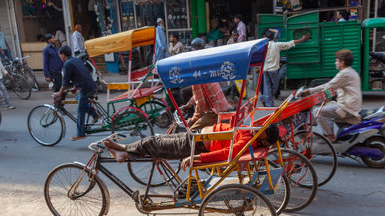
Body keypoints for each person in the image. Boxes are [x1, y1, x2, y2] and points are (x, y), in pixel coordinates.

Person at [103, 123, 280, 171]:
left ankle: (123, 149)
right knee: (159, 141)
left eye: (262, 131)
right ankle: (125, 155)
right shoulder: (250, 134)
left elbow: (225, 153)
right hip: (195, 136)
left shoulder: (247, 141)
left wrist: (195, 158)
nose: (259, 129)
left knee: (152, 142)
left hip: (197, 145)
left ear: (264, 139)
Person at [298, 49, 362, 143]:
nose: (335, 63)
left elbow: (328, 86)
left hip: (347, 108)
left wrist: (309, 90)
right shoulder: (351, 72)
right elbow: (335, 89)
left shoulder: (345, 74)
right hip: (350, 105)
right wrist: (325, 95)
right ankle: (328, 131)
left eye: (336, 61)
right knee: (327, 105)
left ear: (342, 62)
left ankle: (330, 136)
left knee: (317, 112)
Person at [179, 38, 233, 130]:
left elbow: (200, 103)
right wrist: (188, 105)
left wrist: (194, 119)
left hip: (215, 113)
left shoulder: (197, 75)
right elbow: (198, 96)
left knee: (191, 131)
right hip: (221, 108)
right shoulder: (206, 69)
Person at [54, 46, 99, 141]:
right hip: (91, 85)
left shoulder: (67, 64)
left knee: (80, 110)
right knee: (78, 98)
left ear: (63, 54)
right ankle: (95, 114)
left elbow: (65, 81)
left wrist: (60, 93)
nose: (60, 57)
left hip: (85, 88)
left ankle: (80, 133)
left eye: (60, 55)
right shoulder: (76, 60)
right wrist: (75, 87)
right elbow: (79, 75)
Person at [261, 30, 310, 107]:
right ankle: (268, 101)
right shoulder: (277, 45)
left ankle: (265, 99)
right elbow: (289, 44)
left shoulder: (263, 46)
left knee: (267, 86)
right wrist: (302, 39)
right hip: (273, 70)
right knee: (275, 86)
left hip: (265, 69)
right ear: (273, 37)